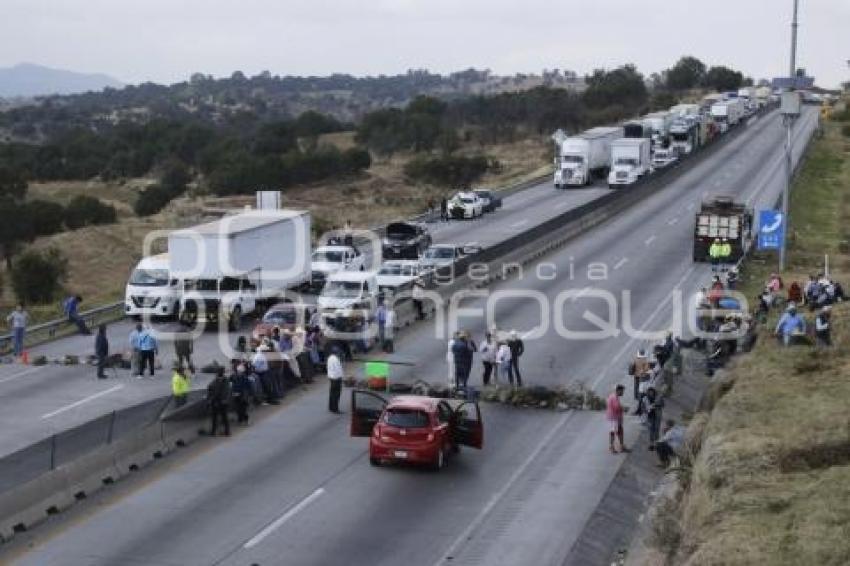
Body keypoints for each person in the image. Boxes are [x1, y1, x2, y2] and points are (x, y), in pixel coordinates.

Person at [207, 368, 232, 436]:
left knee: (217, 417)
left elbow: (213, 390)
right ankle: (226, 431)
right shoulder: (225, 381)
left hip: (219, 401)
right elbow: (228, 391)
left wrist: (211, 399)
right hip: (222, 401)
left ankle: (215, 431)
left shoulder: (216, 381)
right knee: (222, 417)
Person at [606, 384, 629, 454]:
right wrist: (624, 408)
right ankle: (611, 447)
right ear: (618, 390)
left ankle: (621, 446)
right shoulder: (614, 397)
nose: (623, 393)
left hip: (615, 418)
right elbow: (616, 408)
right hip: (614, 418)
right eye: (622, 391)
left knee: (620, 431)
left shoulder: (614, 397)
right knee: (613, 432)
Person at [327, 348, 344, 413]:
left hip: (331, 377)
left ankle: (331, 407)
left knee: (332, 393)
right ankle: (335, 409)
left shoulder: (330, 358)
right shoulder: (336, 359)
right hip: (336, 378)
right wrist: (341, 376)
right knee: (336, 394)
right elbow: (338, 369)